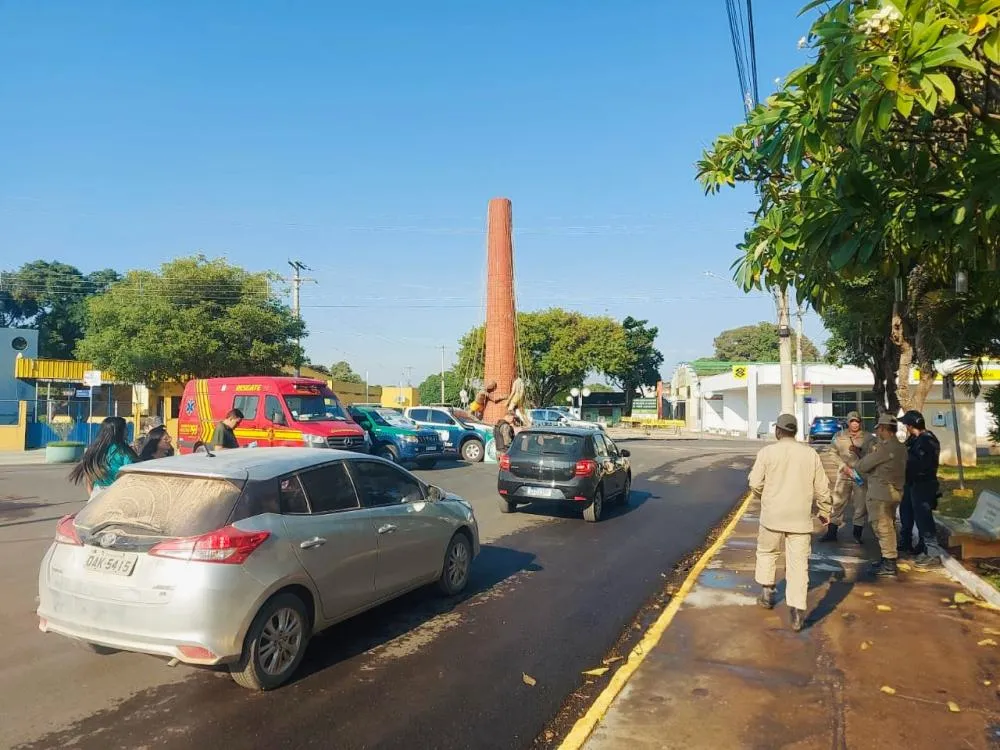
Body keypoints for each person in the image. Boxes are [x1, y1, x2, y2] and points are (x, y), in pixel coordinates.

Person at [749, 413, 832, 632]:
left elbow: (755, 483)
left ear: (778, 431)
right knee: (798, 564)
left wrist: (765, 497)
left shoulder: (767, 453)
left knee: (767, 553)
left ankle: (767, 593)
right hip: (800, 519)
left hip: (772, 516)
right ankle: (796, 611)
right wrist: (825, 511)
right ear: (795, 431)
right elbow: (822, 488)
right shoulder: (810, 454)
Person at [846, 413, 906, 578]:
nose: (878, 432)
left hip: (881, 493)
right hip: (895, 491)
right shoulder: (901, 447)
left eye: (879, 428)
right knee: (889, 526)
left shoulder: (884, 448)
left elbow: (863, 465)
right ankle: (887, 558)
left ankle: (889, 562)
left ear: (884, 429)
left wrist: (862, 458)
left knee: (882, 527)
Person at [898, 410, 943, 569]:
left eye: (906, 425)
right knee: (909, 513)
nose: (906, 427)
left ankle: (933, 553)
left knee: (924, 518)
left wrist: (908, 464)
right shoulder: (915, 439)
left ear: (911, 426)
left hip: (923, 484)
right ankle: (917, 545)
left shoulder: (927, 440)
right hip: (912, 483)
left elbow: (923, 464)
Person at [822, 411, 875, 544]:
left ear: (860, 422)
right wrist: (842, 465)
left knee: (860, 505)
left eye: (857, 421)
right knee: (837, 503)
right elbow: (832, 453)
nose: (854, 424)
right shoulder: (839, 436)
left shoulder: (868, 438)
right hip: (844, 474)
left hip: (860, 476)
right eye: (852, 421)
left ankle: (857, 535)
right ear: (848, 422)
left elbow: (874, 456)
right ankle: (831, 532)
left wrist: (860, 452)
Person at [68, 416, 138, 500]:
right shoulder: (124, 452)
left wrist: (92, 497)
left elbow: (88, 478)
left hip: (97, 493)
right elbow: (132, 473)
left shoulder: (95, 450)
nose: (127, 431)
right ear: (119, 431)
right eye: (125, 428)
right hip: (118, 493)